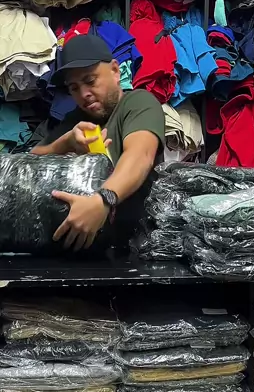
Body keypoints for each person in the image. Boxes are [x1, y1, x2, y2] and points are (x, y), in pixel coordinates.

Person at [32, 34, 165, 251]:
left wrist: (103, 200)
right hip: (80, 248)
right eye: (74, 88)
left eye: (90, 81)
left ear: (115, 70)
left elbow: (140, 156)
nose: (84, 94)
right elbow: (29, 163)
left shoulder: (138, 103)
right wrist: (64, 143)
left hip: (135, 249)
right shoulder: (74, 120)